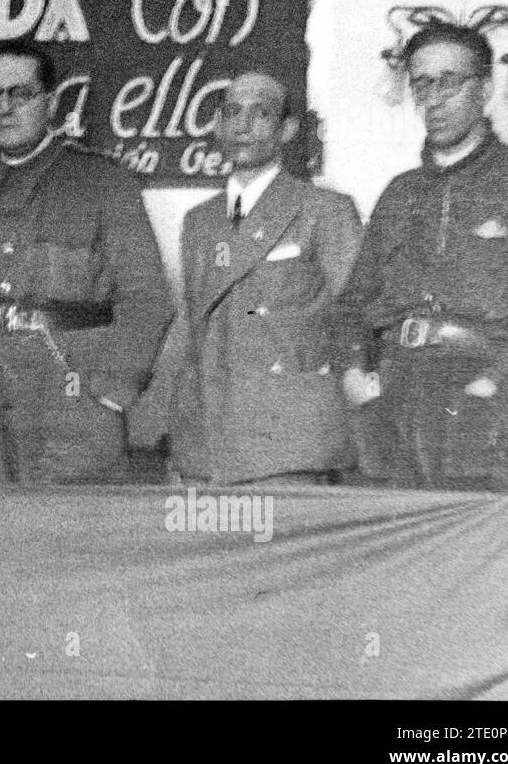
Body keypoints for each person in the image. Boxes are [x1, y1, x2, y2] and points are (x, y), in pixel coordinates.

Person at [0, 42, 173, 484]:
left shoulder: (101, 183)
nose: (5, 108)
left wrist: (113, 392)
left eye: (20, 94)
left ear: (50, 103)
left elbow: (147, 298)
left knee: (69, 534)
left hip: (71, 389)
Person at [331, 20, 508, 489]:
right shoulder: (400, 194)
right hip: (396, 406)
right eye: (422, 83)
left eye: (449, 82)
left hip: (489, 403)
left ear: (484, 90)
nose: (434, 98)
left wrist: (497, 384)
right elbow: (353, 305)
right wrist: (354, 373)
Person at [144, 71, 363, 485]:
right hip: (206, 432)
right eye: (231, 112)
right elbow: (192, 329)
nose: (241, 126)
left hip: (286, 438)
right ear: (217, 125)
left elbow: (353, 318)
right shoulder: (200, 221)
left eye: (260, 114)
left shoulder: (323, 210)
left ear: (287, 129)